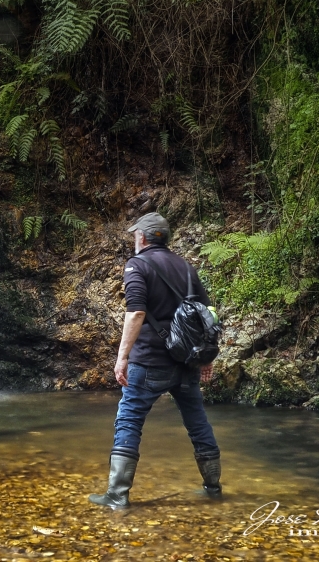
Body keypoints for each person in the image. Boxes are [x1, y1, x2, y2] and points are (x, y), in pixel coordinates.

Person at [88, 212, 221, 510]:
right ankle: (213, 489)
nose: (134, 238)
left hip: (148, 361)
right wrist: (206, 358)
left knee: (129, 419)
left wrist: (121, 358)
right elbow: (208, 315)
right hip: (186, 362)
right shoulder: (186, 268)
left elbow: (135, 312)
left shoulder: (138, 265)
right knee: (197, 422)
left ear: (143, 238)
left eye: (136, 234)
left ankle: (117, 495)